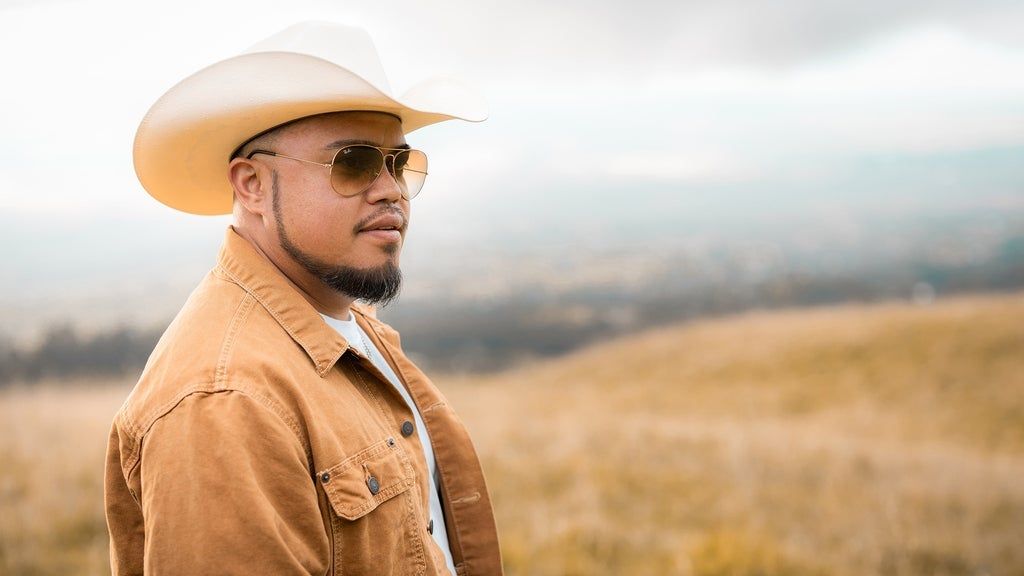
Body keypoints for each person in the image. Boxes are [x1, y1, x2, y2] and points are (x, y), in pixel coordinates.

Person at [103, 21, 502, 575]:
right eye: (354, 162)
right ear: (252, 185)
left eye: (398, 164)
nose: (391, 189)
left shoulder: (350, 328)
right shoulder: (225, 402)